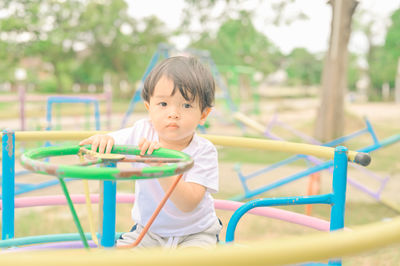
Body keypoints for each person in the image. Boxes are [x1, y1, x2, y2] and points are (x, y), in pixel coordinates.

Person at [79, 56, 222, 248]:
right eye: (163, 104)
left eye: (186, 105)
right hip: (148, 233)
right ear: (149, 107)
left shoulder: (204, 151)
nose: (173, 113)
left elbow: (188, 204)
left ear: (203, 115)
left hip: (195, 233)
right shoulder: (141, 132)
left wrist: (160, 167)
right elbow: (109, 143)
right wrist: (101, 142)